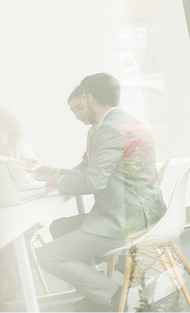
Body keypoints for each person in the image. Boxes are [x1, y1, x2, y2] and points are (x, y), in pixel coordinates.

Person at [34, 73, 167, 311]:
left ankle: (115, 294)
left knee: (46, 256)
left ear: (89, 98)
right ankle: (94, 289)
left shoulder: (107, 129)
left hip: (126, 220)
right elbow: (97, 172)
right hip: (141, 210)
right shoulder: (127, 120)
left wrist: (58, 182)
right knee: (59, 227)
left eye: (82, 103)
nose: (80, 110)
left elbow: (94, 182)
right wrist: (57, 172)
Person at [0, 106, 39, 182]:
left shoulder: (19, 148)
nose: (1, 135)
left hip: (23, 191)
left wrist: (30, 160)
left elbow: (27, 155)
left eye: (3, 129)